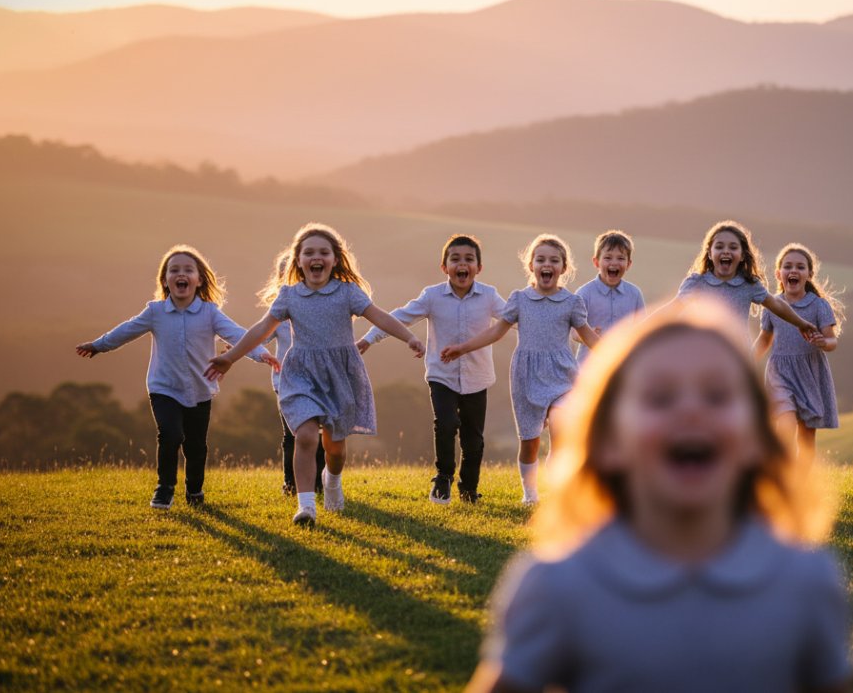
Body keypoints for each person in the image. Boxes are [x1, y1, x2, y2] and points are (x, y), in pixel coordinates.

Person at [467, 298, 853, 693]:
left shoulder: (806, 580)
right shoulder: (557, 585)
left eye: (717, 395)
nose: (690, 410)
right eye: (660, 397)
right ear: (609, 440)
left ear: (758, 435)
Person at [205, 223, 425, 526]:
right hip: (301, 374)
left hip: (340, 374)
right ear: (298, 260)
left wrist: (408, 338)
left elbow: (381, 317)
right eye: (309, 253)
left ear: (335, 259)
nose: (316, 257)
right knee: (306, 437)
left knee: (334, 447)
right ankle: (306, 506)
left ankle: (332, 480)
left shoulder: (348, 293)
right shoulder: (289, 296)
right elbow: (261, 329)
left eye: (324, 252)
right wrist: (230, 356)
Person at [75, 245, 276, 509]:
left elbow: (236, 334)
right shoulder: (156, 312)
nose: (181, 274)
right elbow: (127, 330)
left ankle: (194, 491)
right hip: (164, 388)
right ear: (166, 281)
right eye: (174, 270)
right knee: (169, 436)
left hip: (199, 390)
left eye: (188, 270)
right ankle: (164, 488)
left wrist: (261, 355)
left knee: (195, 446)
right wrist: (99, 345)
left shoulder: (209, 313)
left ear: (199, 279)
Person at [442, 234, 599, 505]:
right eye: (540, 260)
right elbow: (496, 332)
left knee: (561, 431)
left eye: (553, 260)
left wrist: (621, 355)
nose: (546, 264)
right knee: (530, 442)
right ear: (531, 266)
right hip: (526, 377)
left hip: (563, 374)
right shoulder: (519, 300)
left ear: (563, 268)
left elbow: (587, 336)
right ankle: (530, 494)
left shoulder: (572, 302)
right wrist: (463, 347)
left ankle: (559, 492)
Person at [357, 234, 507, 505]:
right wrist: (368, 339)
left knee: (473, 439)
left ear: (479, 268)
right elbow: (399, 316)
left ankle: (469, 489)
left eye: (469, 259)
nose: (462, 264)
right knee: (447, 423)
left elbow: (514, 319)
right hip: (442, 375)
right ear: (444, 267)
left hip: (478, 377)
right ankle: (444, 476)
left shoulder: (489, 296)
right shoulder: (432, 296)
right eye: (455, 259)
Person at [754, 244, 843, 463]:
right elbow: (765, 338)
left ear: (809, 274)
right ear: (778, 273)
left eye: (800, 267)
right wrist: (746, 360)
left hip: (810, 373)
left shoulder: (819, 306)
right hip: (780, 373)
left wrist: (824, 342)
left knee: (806, 436)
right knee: (785, 423)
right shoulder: (773, 305)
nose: (794, 270)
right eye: (788, 266)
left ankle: (802, 485)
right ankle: (782, 469)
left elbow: (832, 341)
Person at [676, 220, 819, 338]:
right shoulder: (696, 282)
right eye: (719, 247)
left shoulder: (749, 284)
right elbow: (673, 308)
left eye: (733, 247)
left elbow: (777, 305)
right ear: (709, 253)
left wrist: (801, 323)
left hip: (738, 356)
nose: (726, 251)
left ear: (743, 255)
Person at [264, 252, 323, 497]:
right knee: (293, 435)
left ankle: (319, 483)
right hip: (286, 382)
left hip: (320, 381)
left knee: (318, 435)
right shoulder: (279, 309)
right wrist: (236, 347)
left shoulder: (321, 306)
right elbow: (263, 334)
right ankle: (291, 484)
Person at [573, 230, 645, 364]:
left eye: (621, 258)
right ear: (596, 262)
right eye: (608, 258)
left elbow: (641, 329)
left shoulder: (634, 294)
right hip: (588, 367)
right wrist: (587, 335)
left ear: (628, 264)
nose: (614, 263)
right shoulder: (584, 293)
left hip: (622, 366)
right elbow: (574, 332)